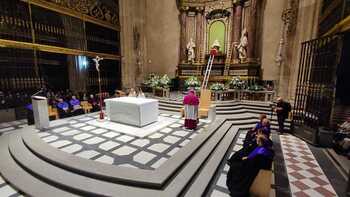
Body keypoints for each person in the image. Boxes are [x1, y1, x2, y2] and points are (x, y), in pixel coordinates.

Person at [226, 132, 274, 197]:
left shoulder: (261, 152)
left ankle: (236, 189)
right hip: (253, 165)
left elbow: (252, 162)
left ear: (260, 142)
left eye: (258, 141)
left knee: (234, 167)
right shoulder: (265, 148)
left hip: (253, 168)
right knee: (239, 158)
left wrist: (245, 159)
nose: (257, 142)